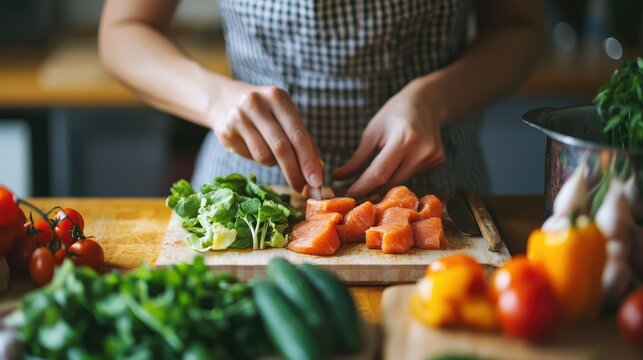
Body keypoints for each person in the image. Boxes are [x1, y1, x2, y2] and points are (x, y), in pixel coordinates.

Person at [99, 0, 544, 198]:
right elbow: (124, 30)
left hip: (436, 196)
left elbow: (520, 28)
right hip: (248, 192)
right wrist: (214, 98)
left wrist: (435, 100)